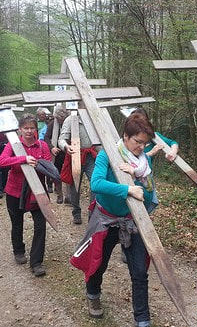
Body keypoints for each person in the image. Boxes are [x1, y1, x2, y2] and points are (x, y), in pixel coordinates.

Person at [70, 113, 158, 327]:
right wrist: (126, 188)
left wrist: (138, 177)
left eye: (145, 143)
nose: (142, 148)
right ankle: (93, 295)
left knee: (139, 272)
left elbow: (146, 194)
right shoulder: (107, 156)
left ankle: (142, 320)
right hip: (106, 219)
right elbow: (97, 184)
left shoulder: (142, 162)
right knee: (98, 263)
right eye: (138, 142)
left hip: (131, 219)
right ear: (125, 137)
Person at [0, 114, 51, 277]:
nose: (29, 131)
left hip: (37, 192)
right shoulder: (13, 145)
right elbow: (2, 162)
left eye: (32, 128)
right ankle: (18, 250)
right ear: (20, 129)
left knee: (41, 226)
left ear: (36, 129)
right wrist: (23, 159)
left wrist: (39, 164)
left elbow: (48, 165)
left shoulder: (42, 146)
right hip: (15, 191)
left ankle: (36, 262)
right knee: (17, 223)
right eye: (25, 128)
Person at [58, 112, 97, 224]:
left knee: (96, 183)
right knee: (74, 185)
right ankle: (76, 212)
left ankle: (93, 214)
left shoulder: (94, 118)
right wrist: (66, 146)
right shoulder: (70, 119)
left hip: (91, 155)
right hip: (75, 154)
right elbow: (62, 139)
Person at [43, 105, 70, 204]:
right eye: (57, 118)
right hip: (57, 154)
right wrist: (52, 147)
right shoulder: (53, 124)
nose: (58, 120)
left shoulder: (71, 123)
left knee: (68, 174)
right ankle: (60, 194)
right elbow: (46, 137)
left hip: (68, 153)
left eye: (60, 118)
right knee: (56, 174)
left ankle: (69, 196)